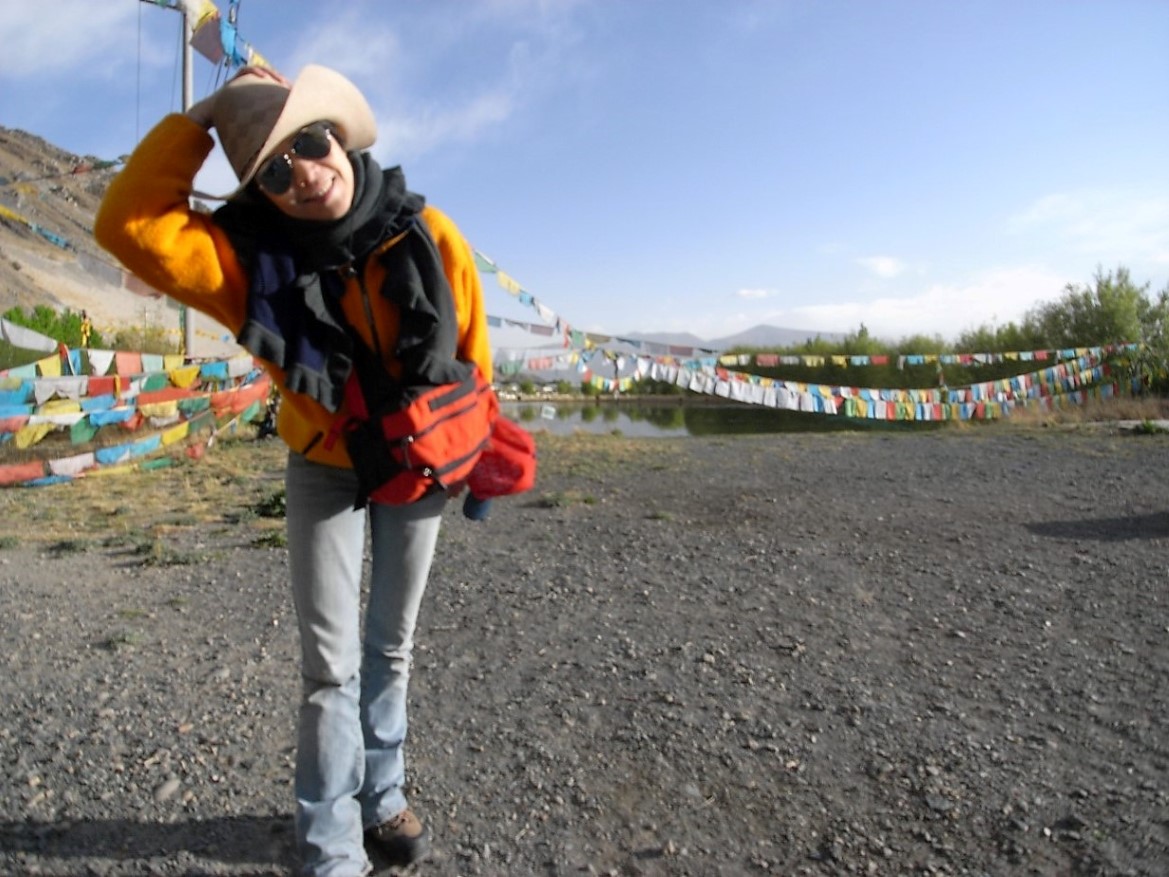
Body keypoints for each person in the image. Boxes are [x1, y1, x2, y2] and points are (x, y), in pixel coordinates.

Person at [95, 64, 493, 876]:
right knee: (329, 665)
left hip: (418, 464)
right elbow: (127, 223)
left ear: (338, 135)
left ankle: (382, 796)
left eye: (310, 144)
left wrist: (474, 462)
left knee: (391, 645)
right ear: (260, 194)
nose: (306, 176)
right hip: (323, 468)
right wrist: (203, 115)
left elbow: (472, 361)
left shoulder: (431, 235)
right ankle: (330, 841)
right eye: (274, 170)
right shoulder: (247, 271)